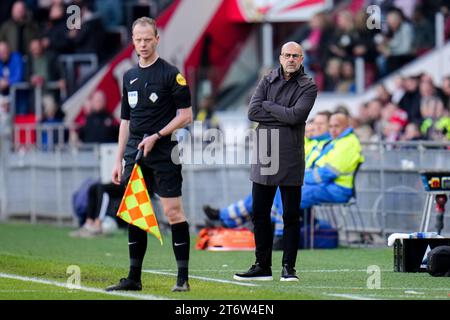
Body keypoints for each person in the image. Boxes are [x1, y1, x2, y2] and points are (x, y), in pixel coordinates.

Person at [106, 17, 193, 292]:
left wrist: (158, 136)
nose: (142, 44)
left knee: (172, 212)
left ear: (157, 39)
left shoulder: (171, 74)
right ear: (132, 41)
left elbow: (187, 115)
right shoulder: (129, 76)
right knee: (136, 213)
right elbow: (125, 121)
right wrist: (120, 158)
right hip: (135, 152)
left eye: (147, 39)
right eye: (138, 40)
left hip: (165, 150)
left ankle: (182, 278)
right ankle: (134, 278)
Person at [234, 41, 317, 282]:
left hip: (290, 155)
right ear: (280, 57)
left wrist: (269, 107)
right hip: (264, 154)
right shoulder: (267, 80)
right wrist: (282, 113)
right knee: (259, 213)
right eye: (287, 55)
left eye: (296, 56)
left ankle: (288, 268)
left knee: (291, 215)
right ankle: (262, 266)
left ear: (301, 60)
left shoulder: (308, 86)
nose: (291, 59)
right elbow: (252, 112)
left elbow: (297, 116)